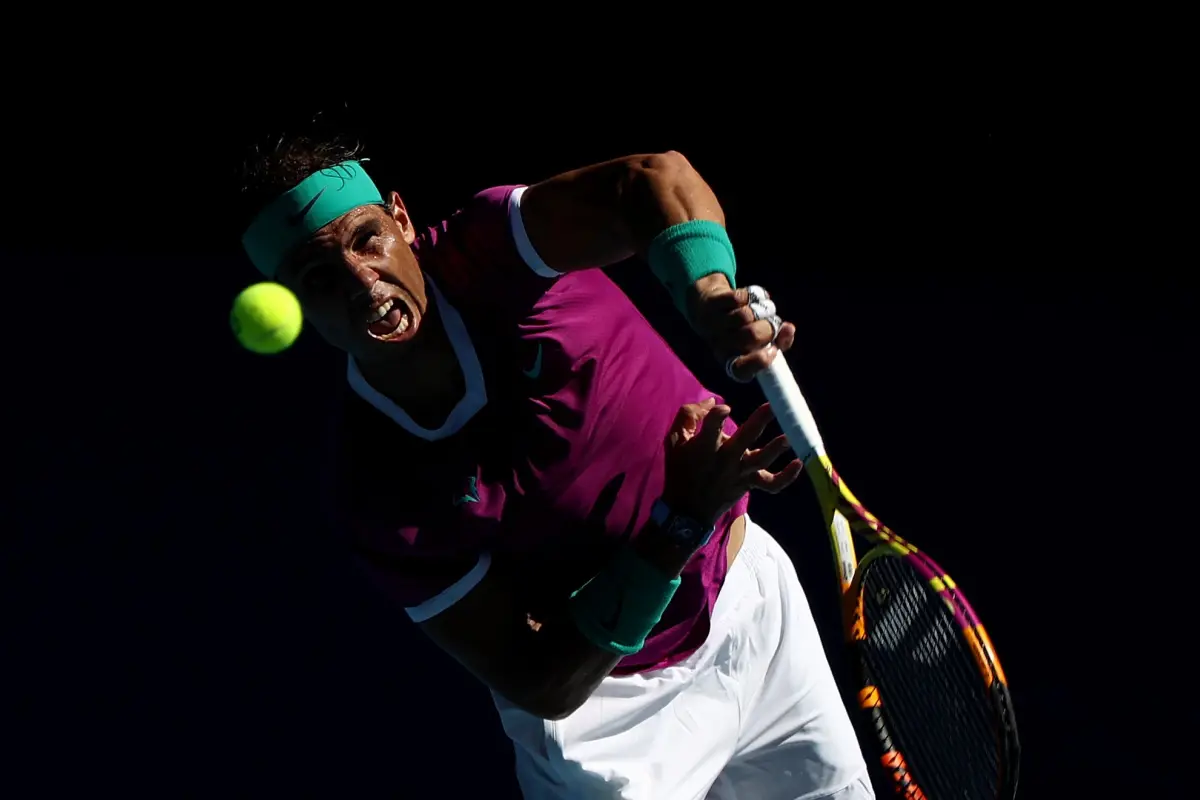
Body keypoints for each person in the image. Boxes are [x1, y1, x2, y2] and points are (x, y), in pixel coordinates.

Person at [236, 131, 874, 799]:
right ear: (296, 304)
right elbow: (543, 678)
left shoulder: (491, 250)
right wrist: (680, 521)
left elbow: (652, 179)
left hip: (751, 603)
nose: (362, 282)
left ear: (401, 218)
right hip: (610, 727)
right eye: (319, 277)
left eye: (368, 240)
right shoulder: (371, 485)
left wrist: (709, 295)